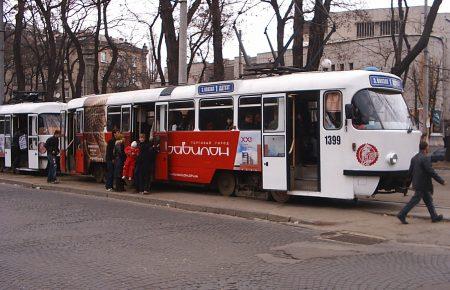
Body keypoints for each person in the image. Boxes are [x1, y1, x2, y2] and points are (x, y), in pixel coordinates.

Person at [397, 141, 447, 224]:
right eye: (428, 147)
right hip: (423, 185)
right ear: (426, 148)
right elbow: (431, 172)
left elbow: (410, 172)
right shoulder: (425, 158)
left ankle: (434, 216)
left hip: (418, 183)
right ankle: (402, 214)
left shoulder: (414, 158)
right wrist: (441, 181)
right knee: (414, 201)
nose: (428, 148)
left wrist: (405, 182)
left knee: (428, 200)